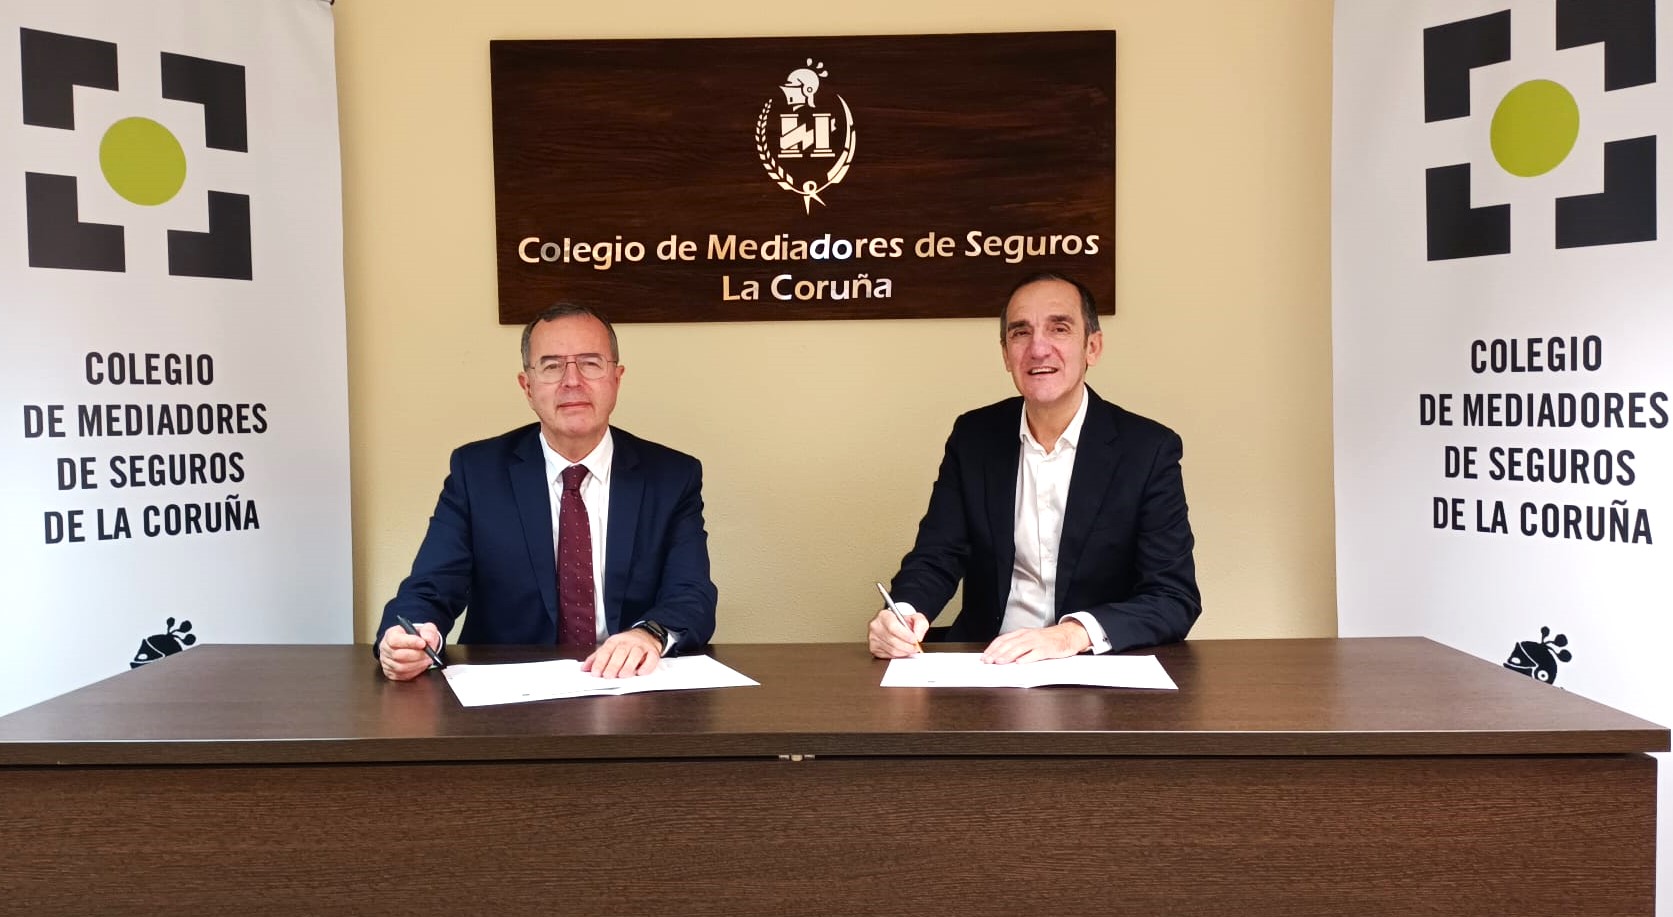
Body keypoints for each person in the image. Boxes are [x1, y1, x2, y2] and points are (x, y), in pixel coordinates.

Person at [868, 272, 1200, 662]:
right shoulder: (974, 436)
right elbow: (937, 556)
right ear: (1006, 354)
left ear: (1092, 347)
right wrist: (902, 612)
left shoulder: (1148, 449)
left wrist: (1071, 634)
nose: (1038, 348)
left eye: (1059, 328)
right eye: (1020, 333)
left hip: (1092, 665)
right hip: (989, 662)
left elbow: (1173, 597)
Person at [378, 304, 718, 680]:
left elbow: (692, 594)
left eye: (590, 363)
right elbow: (430, 587)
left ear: (616, 379)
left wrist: (647, 635)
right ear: (527, 386)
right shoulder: (477, 473)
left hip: (628, 684)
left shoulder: (672, 476)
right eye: (552, 366)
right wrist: (407, 638)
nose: (572, 381)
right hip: (509, 690)